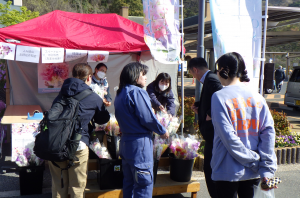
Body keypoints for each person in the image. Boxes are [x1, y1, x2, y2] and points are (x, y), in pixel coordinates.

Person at [211, 52, 277, 198]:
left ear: (223, 69)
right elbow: (268, 133)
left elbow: (229, 138)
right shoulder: (257, 97)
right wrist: (265, 167)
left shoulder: (219, 97)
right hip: (255, 172)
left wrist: (253, 160)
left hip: (227, 170)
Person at [49, 63, 110, 198]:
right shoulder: (93, 97)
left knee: (59, 186)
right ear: (89, 77)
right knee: (77, 187)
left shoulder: (62, 92)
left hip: (56, 143)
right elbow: (102, 119)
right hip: (78, 144)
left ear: (74, 76)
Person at [114, 62, 169, 198]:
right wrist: (163, 131)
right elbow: (147, 118)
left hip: (126, 142)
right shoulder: (137, 92)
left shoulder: (120, 93)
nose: (145, 77)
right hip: (139, 143)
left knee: (129, 183)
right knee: (143, 184)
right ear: (134, 76)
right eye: (143, 74)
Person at [188, 57, 222, 198]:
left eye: (192, 73)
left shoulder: (212, 78)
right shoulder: (209, 78)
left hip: (214, 135)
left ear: (195, 69)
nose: (194, 77)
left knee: (210, 169)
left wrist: (209, 113)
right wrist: (200, 106)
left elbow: (220, 95)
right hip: (211, 135)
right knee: (210, 169)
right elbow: (211, 98)